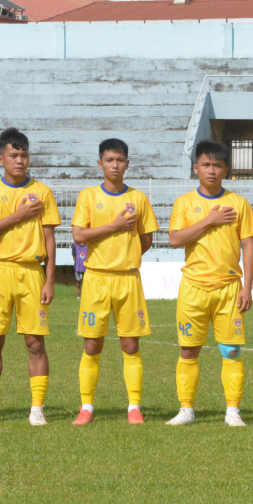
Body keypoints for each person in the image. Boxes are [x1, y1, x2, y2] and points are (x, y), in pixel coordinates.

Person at [0, 128, 61, 427]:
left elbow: (50, 241)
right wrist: (18, 216)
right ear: (1, 158)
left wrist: (49, 280)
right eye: (13, 155)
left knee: (35, 343)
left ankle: (37, 408)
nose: (19, 160)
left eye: (23, 155)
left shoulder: (43, 192)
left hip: (31, 273)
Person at [167, 141, 253, 427]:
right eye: (206, 165)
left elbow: (249, 246)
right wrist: (209, 220)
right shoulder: (184, 203)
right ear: (195, 168)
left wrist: (247, 287)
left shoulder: (239, 203)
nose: (212, 170)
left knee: (231, 350)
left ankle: (233, 411)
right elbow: (175, 240)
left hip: (229, 288)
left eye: (217, 165)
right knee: (188, 350)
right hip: (193, 286)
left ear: (225, 169)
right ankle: (186, 410)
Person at [71, 138, 159, 425]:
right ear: (100, 164)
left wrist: (126, 252)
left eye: (120, 160)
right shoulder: (87, 196)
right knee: (92, 345)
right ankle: (86, 407)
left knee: (130, 345)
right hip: (96, 278)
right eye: (109, 160)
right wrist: (115, 227)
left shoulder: (139, 199)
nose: (115, 165)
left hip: (128, 279)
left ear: (127, 164)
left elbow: (146, 239)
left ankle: (134, 407)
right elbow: (79, 236)